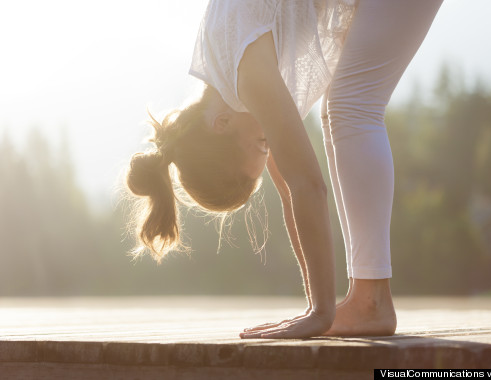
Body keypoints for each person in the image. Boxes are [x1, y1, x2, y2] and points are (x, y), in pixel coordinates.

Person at [125, 0, 442, 339]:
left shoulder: (246, 74)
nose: (269, 144)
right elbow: (292, 189)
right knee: (341, 110)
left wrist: (321, 314)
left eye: (262, 144)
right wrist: (314, 307)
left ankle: (371, 301)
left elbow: (308, 185)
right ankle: (368, 299)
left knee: (352, 108)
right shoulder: (228, 84)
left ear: (221, 125)